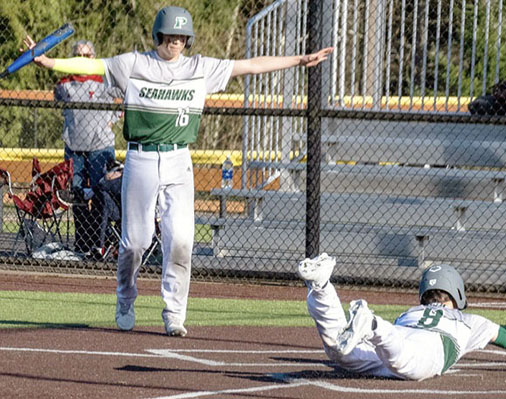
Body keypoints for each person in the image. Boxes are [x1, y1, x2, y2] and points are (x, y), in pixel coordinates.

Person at [24, 6, 333, 337]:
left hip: (178, 161)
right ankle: (125, 297)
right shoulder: (135, 64)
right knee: (135, 243)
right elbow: (92, 64)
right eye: (170, 36)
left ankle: (174, 312)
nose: (176, 42)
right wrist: (49, 62)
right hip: (141, 159)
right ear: (159, 36)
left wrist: (299, 60)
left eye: (181, 37)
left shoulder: (200, 68)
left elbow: (251, 65)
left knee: (181, 240)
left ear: (188, 39)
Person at [297, 254, 506, 380]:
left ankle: (322, 286)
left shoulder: (412, 311)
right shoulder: (472, 323)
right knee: (408, 364)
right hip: (425, 349)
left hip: (395, 339)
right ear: (457, 293)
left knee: (339, 350)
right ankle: (370, 322)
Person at [54, 40, 122, 254]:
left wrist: (113, 117)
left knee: (101, 195)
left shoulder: (104, 81)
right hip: (75, 148)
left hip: (100, 147)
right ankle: (81, 243)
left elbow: (126, 96)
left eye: (87, 56)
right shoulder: (65, 85)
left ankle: (100, 243)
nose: (82, 60)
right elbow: (58, 100)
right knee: (76, 196)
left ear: (93, 58)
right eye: (78, 56)